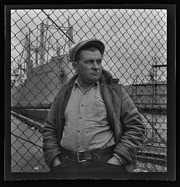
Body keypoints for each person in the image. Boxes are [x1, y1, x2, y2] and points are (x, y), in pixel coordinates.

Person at [43, 39, 145, 177]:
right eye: (89, 62)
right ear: (75, 66)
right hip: (67, 165)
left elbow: (136, 127)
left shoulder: (115, 92)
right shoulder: (63, 94)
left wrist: (117, 160)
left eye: (99, 61)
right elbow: (50, 128)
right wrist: (55, 161)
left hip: (105, 164)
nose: (96, 66)